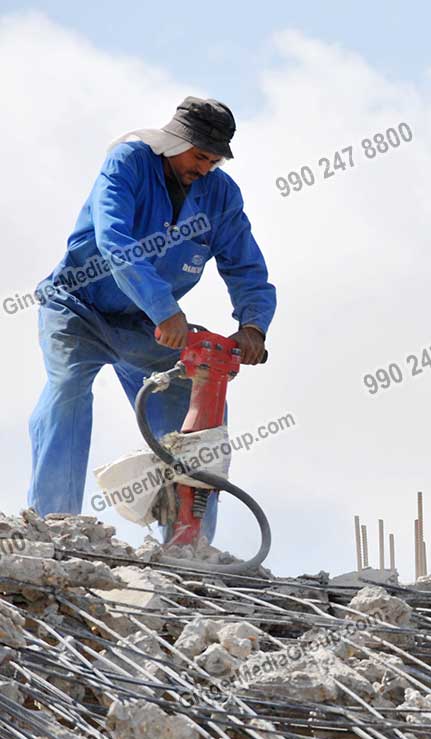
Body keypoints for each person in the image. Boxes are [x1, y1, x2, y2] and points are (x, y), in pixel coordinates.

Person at [28, 96, 277, 541]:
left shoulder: (221, 195)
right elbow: (114, 241)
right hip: (78, 307)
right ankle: (54, 529)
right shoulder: (129, 162)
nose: (205, 167)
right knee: (67, 392)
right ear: (174, 142)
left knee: (194, 414)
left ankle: (188, 545)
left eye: (214, 160)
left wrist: (253, 325)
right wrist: (165, 309)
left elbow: (245, 266)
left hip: (147, 329)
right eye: (199, 156)